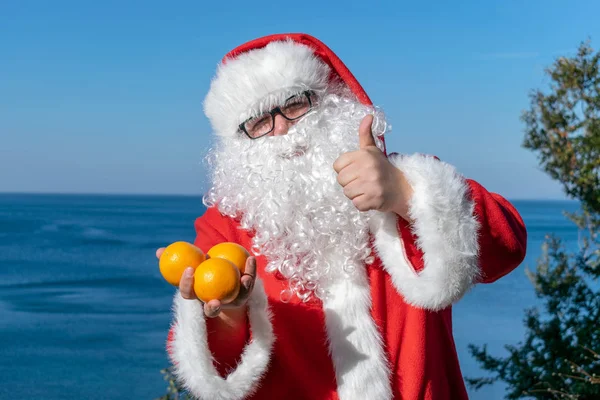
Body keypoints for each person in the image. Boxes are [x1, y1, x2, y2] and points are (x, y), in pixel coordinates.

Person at [157, 33, 528, 400]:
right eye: (258, 122)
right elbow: (213, 366)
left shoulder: (401, 180)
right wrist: (230, 313)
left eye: (295, 103)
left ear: (330, 100)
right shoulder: (225, 225)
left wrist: (406, 194)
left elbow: (507, 247)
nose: (283, 127)